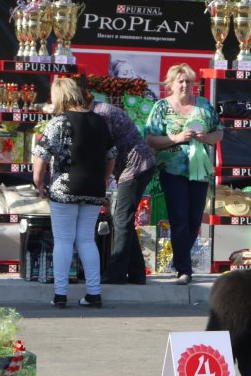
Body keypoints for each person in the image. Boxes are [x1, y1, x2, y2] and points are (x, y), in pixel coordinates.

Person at [32, 77, 116, 309]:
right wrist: (104, 180)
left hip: (65, 188)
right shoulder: (100, 122)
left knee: (64, 241)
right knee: (87, 240)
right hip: (94, 189)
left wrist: (38, 182)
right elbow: (112, 155)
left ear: (60, 97)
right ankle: (94, 293)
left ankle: (60, 295)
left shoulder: (58, 122)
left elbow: (41, 155)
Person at [144, 64, 223, 285]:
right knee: (179, 219)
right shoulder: (161, 107)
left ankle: (179, 261)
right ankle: (184, 269)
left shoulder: (204, 105)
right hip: (172, 171)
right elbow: (150, 139)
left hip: (200, 171)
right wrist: (177, 138)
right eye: (180, 81)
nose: (185, 85)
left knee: (194, 220)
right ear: (171, 84)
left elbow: (219, 133)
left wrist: (206, 137)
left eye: (188, 81)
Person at [91, 96, 157, 284]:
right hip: (135, 166)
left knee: (121, 218)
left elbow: (105, 150)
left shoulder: (101, 114)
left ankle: (116, 273)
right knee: (124, 219)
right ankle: (137, 273)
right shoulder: (98, 110)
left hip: (136, 166)